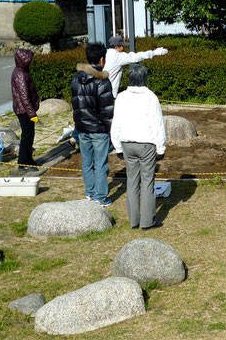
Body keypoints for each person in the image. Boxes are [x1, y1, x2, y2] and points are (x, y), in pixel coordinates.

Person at [111, 64, 166, 230]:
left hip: (127, 143)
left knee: (132, 181)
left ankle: (134, 220)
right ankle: (147, 221)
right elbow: (158, 124)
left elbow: (116, 122)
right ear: (144, 78)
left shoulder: (121, 97)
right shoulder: (150, 97)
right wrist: (161, 147)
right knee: (147, 182)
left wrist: (118, 146)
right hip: (146, 144)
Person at [71, 43, 115, 207]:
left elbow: (76, 104)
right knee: (101, 163)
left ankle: (90, 192)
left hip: (82, 127)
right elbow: (107, 109)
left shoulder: (76, 78)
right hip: (98, 128)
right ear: (102, 59)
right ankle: (100, 197)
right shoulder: (102, 80)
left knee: (87, 162)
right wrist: (110, 129)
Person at [11, 48, 40, 171]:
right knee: (27, 136)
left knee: (29, 134)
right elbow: (24, 97)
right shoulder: (20, 74)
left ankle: (29, 159)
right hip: (24, 111)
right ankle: (23, 162)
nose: (31, 62)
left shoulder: (22, 71)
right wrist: (31, 113)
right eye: (29, 60)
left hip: (26, 110)